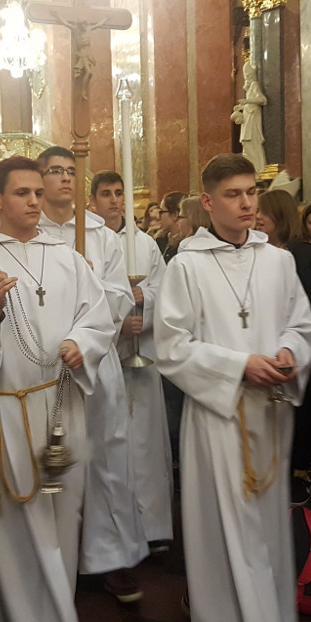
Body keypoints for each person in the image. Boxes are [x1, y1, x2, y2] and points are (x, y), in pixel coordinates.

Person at [0, 156, 115, 622]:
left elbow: (97, 318)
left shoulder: (67, 258)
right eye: (22, 193)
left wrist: (82, 343)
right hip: (6, 413)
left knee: (61, 519)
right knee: (14, 522)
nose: (35, 201)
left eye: (39, 193)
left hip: (60, 405)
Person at [155, 153, 311, 622]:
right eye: (233, 194)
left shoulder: (278, 260)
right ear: (207, 202)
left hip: (270, 414)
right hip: (218, 418)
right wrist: (238, 365)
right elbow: (171, 347)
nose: (246, 203)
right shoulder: (186, 265)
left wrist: (290, 352)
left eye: (251, 192)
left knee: (267, 530)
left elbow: (301, 324)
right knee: (227, 532)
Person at [34, 146, 148, 602]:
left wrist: (88, 283)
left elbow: (120, 299)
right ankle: (54, 555)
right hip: (47, 361)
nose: (64, 178)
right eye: (54, 171)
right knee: (53, 455)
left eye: (70, 170)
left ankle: (110, 556)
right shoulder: (30, 233)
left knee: (107, 457)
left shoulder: (100, 234)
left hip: (98, 362)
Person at [90, 170, 173, 551]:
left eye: (119, 193)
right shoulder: (87, 241)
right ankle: (113, 531)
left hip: (142, 356)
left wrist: (145, 302)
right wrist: (116, 323)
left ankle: (151, 526)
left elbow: (165, 290)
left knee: (144, 443)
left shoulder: (146, 244)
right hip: (106, 354)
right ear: (92, 201)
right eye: (106, 193)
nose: (113, 200)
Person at [256, 189, 311, 503]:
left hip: (296, 349)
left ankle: (299, 473)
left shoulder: (300, 253)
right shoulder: (260, 252)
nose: (257, 216)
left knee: (300, 419)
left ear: (279, 215)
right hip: (268, 351)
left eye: (263, 211)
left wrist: (290, 343)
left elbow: (306, 308)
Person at [155, 190, 188, 262]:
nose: (158, 217)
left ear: (175, 215)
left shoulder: (185, 246)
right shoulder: (159, 241)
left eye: (161, 212)